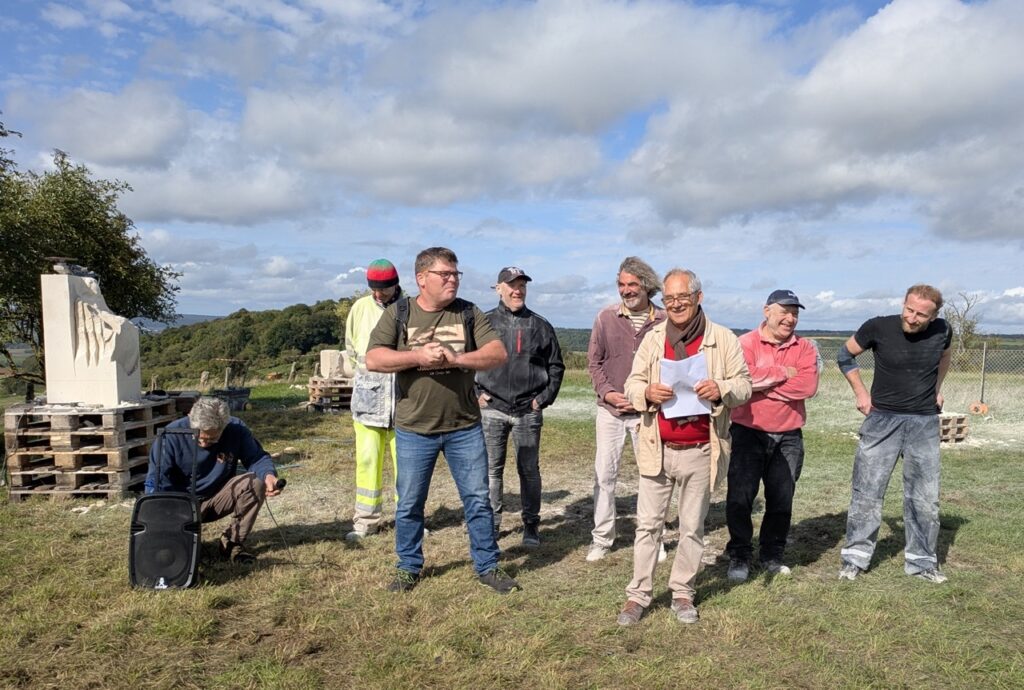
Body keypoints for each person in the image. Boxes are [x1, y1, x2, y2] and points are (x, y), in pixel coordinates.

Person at [366, 246, 520, 594]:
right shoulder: (400, 313)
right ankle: (408, 567)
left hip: (464, 426)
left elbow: (497, 353)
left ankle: (487, 566)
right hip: (414, 428)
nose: (453, 280)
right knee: (409, 504)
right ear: (422, 279)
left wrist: (457, 359)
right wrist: (416, 355)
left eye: (456, 274)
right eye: (445, 274)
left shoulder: (467, 312)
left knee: (478, 500)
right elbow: (374, 358)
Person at [616, 268, 751, 626]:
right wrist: (645, 393)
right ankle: (637, 596)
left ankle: (682, 592)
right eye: (669, 299)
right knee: (648, 526)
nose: (675, 305)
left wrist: (721, 388)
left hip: (701, 450)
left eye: (682, 298)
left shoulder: (723, 339)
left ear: (698, 298)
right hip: (656, 448)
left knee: (692, 527)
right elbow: (632, 383)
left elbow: (744, 386)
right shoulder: (653, 339)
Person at [837, 284, 952, 583]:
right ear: (903, 304)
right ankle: (855, 558)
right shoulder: (878, 326)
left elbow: (944, 357)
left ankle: (922, 561)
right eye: (909, 310)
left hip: (924, 423)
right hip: (882, 421)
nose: (912, 318)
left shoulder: (944, 330)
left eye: (921, 315)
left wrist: (938, 389)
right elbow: (844, 355)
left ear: (934, 316)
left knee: (924, 497)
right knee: (867, 492)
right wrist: (861, 393)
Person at [725, 289, 821, 582]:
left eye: (795, 313)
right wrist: (783, 372)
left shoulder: (805, 348)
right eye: (784, 312)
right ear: (766, 311)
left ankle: (772, 554)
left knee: (782, 498)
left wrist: (764, 384)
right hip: (748, 432)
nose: (790, 319)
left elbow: (807, 387)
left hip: (789, 434)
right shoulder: (745, 343)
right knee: (741, 497)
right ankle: (740, 554)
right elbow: (744, 379)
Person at [475, 266, 565, 548]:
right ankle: (491, 526)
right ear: (498, 288)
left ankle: (531, 526)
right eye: (511, 285)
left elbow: (556, 366)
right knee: (490, 470)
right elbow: (465, 360)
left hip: (528, 410)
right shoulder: (484, 324)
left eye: (522, 285)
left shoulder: (540, 325)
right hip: (492, 408)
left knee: (528, 470)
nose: (518, 290)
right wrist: (475, 391)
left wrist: (543, 399)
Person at [586, 256, 667, 562]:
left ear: (647, 285)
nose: (626, 290)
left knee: (652, 476)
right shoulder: (605, 317)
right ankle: (602, 538)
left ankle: (652, 538)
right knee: (604, 475)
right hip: (610, 411)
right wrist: (608, 394)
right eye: (621, 284)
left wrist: (648, 397)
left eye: (632, 284)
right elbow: (594, 363)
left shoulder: (663, 320)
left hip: (648, 412)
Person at [144, 396, 283, 564]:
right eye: (200, 437)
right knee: (178, 554)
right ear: (190, 419)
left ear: (224, 426)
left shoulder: (236, 429)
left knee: (256, 482)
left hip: (217, 497)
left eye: (212, 439)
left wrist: (268, 475)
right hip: (180, 505)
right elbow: (157, 481)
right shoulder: (170, 435)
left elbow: (257, 458)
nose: (204, 443)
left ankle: (232, 542)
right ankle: (179, 540)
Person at [343, 259, 402, 541]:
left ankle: (409, 520)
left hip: (405, 401)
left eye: (384, 289)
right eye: (374, 289)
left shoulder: (411, 308)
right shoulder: (359, 309)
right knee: (367, 463)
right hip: (369, 400)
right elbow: (352, 350)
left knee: (408, 466)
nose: (378, 295)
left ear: (396, 284)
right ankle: (366, 522)